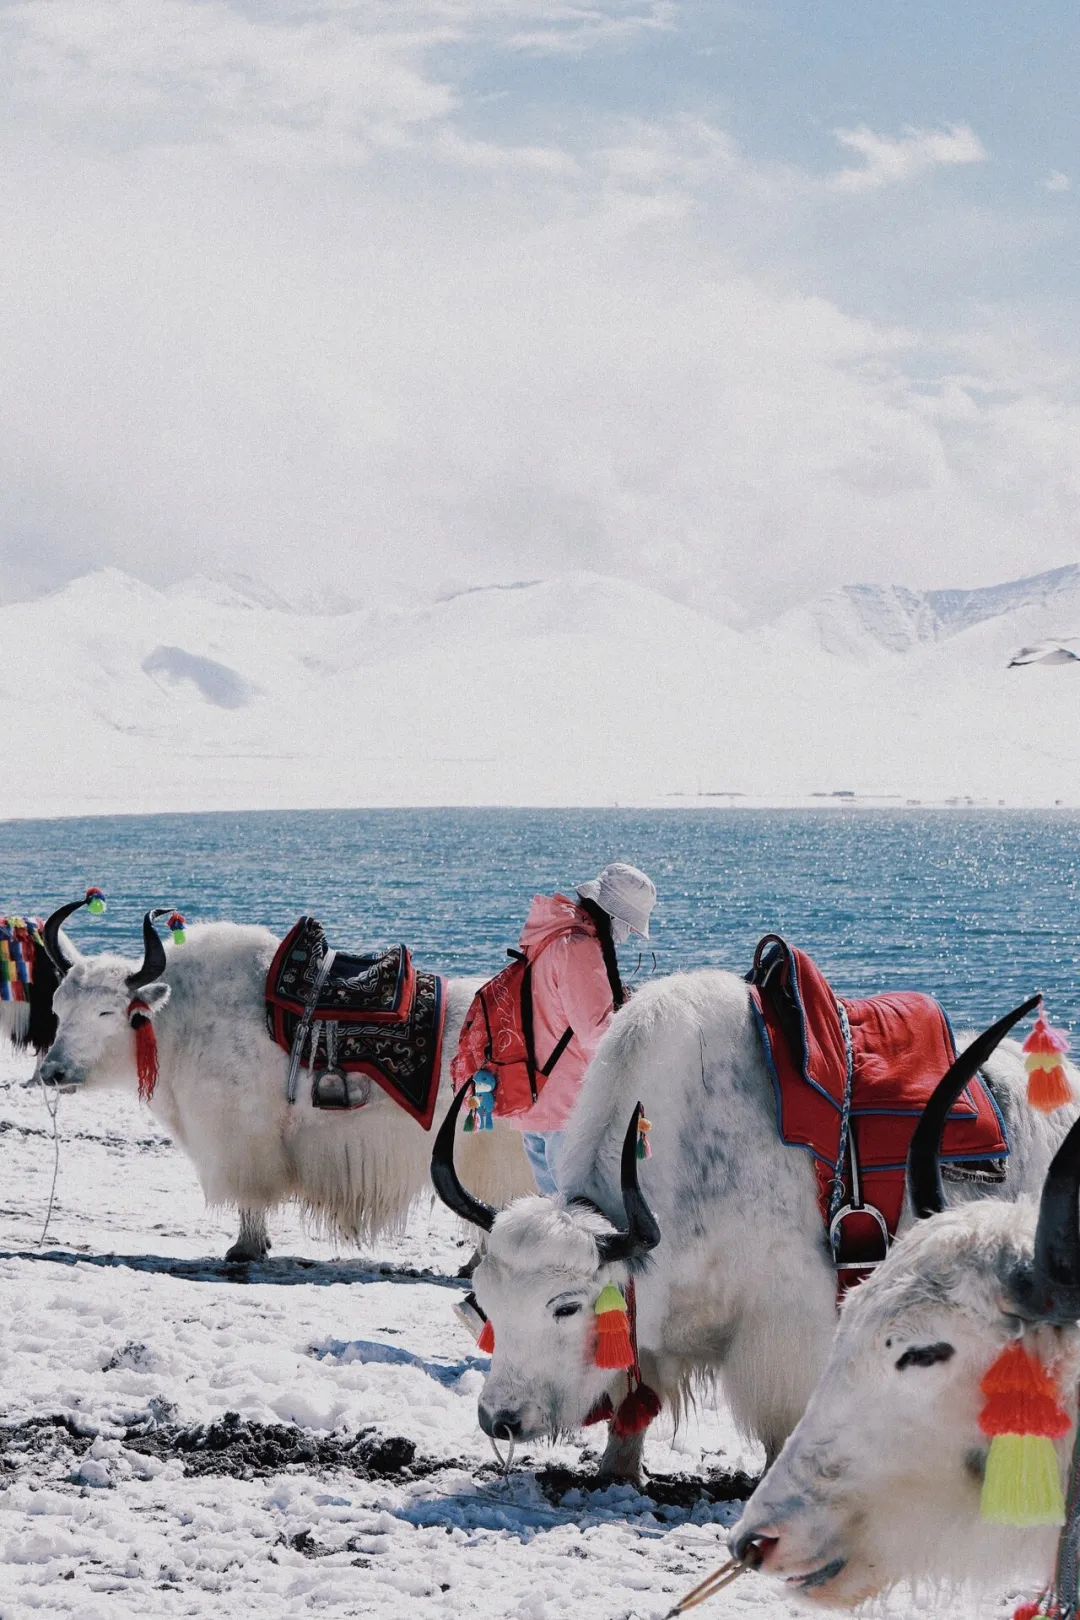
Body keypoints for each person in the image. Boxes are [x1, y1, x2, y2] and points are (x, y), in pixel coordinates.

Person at [513, 861, 657, 1196]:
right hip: (568, 1106)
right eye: (628, 927)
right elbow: (596, 1032)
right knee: (579, 1211)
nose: (627, 936)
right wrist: (641, 1027)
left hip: (538, 1099)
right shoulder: (578, 947)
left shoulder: (549, 935)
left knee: (555, 1211)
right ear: (613, 917)